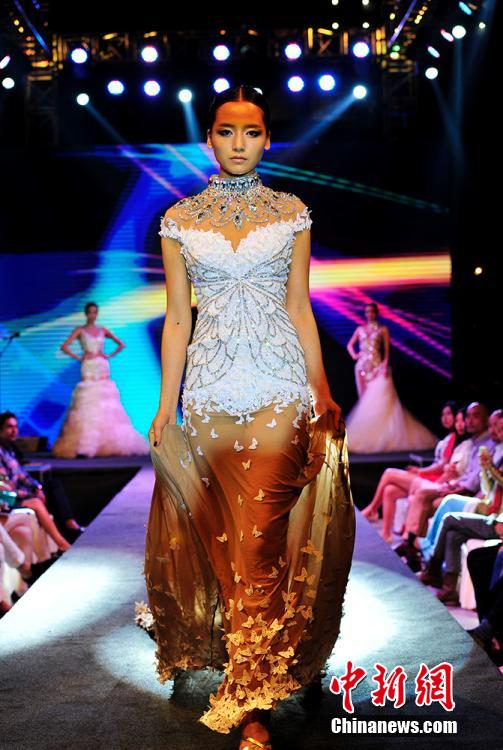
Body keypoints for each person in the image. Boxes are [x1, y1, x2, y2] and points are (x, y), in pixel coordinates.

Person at [138, 84, 355, 749]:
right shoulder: (179, 220)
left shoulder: (291, 213)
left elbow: (299, 307)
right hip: (208, 395)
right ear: (209, 139)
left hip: (280, 388)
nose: (239, 143)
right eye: (227, 131)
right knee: (231, 546)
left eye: (251, 131)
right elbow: (177, 319)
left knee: (259, 540)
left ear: (267, 139)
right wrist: (165, 403)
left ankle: (253, 698)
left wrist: (321, 389)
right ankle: (258, 656)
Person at [394, 402, 496, 565]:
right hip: (459, 486)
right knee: (421, 496)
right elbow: (467, 475)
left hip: (471, 495)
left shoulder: (488, 445)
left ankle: (417, 547)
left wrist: (453, 487)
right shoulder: (473, 442)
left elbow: (475, 481)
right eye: (467, 417)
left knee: (429, 500)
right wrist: (452, 484)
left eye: (475, 416)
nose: (469, 421)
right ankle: (414, 547)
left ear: (486, 419)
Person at [53, 302, 149, 458]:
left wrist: (108, 355)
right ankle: (86, 443)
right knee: (88, 399)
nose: (93, 315)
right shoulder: (80, 330)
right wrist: (79, 357)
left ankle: (109, 441)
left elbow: (121, 344)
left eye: (95, 312)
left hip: (101, 364)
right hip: (88, 364)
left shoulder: (102, 330)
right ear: (86, 313)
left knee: (106, 401)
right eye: (90, 312)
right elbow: (64, 346)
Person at [361, 401, 464, 542]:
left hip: (434, 481)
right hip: (431, 478)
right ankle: (386, 533)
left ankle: (372, 509)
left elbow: (442, 465)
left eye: (449, 414)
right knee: (390, 490)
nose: (445, 418)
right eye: (443, 414)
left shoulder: (456, 441)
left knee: (389, 473)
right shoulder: (449, 438)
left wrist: (421, 471)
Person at [345, 302, 437, 453]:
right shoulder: (360, 329)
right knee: (363, 403)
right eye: (367, 312)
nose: (369, 314)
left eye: (372, 311)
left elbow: (387, 351)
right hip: (361, 368)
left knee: (376, 402)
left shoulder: (383, 329)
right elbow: (350, 345)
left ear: (376, 313)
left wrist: (384, 365)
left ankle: (378, 437)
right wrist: (355, 355)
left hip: (377, 368)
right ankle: (369, 436)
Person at [0, 411, 85, 539]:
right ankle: (65, 537)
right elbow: (6, 486)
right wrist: (30, 493)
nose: (14, 431)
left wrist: (37, 488)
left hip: (21, 491)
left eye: (16, 426)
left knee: (53, 484)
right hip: (11, 497)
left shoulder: (10, 449)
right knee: (39, 500)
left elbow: (22, 475)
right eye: (9, 427)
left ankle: (69, 525)